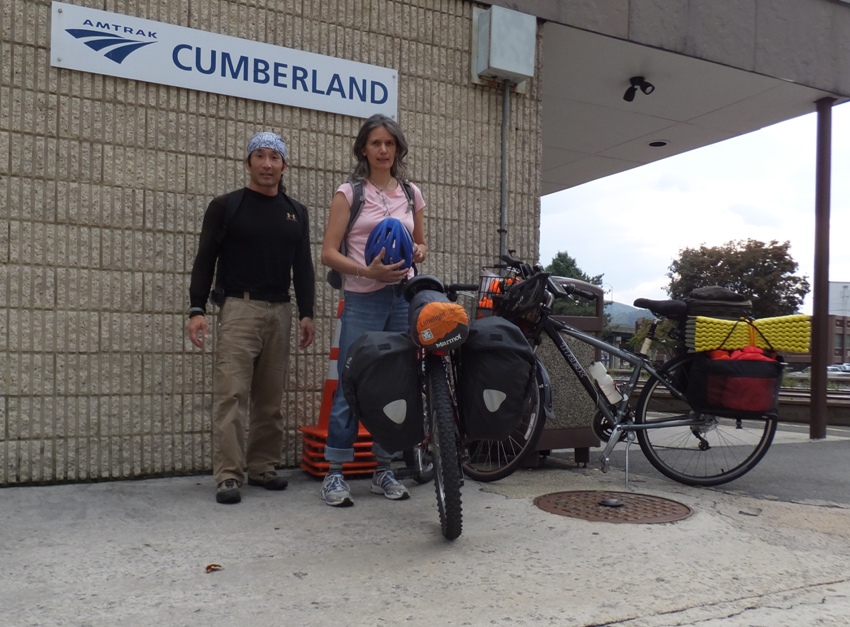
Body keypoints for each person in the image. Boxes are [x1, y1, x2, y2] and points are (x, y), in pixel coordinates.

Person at [187, 132, 316, 504]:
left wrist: (307, 312)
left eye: (274, 157)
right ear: (248, 162)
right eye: (259, 156)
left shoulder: (296, 212)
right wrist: (197, 309)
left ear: (284, 165)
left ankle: (263, 467)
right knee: (231, 393)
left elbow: (302, 266)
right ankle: (228, 475)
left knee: (270, 398)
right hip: (239, 309)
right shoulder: (227, 206)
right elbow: (204, 259)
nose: (267, 164)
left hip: (281, 310)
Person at [320, 114, 428, 507]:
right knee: (352, 382)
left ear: (398, 148)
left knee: (396, 383)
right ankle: (334, 472)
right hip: (364, 297)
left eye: (390, 144)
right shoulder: (349, 193)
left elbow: (421, 244)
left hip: (401, 296)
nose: (383, 150)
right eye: (376, 143)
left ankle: (384, 468)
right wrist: (368, 270)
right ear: (363, 148)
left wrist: (416, 252)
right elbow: (328, 253)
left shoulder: (412, 194)